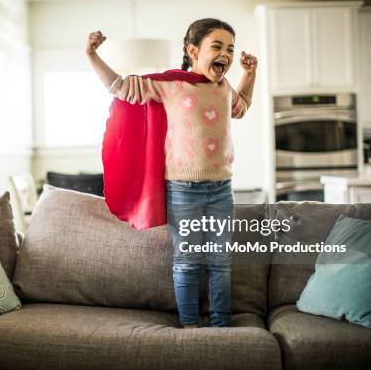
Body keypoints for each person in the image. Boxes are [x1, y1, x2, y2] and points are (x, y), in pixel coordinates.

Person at [87, 18, 257, 328]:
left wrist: (250, 74)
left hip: (222, 188)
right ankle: (190, 326)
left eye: (230, 49)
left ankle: (221, 326)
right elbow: (120, 87)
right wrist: (92, 56)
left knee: (220, 263)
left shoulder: (223, 87)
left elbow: (242, 106)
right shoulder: (171, 84)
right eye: (217, 47)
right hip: (183, 190)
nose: (226, 55)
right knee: (189, 263)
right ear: (193, 51)